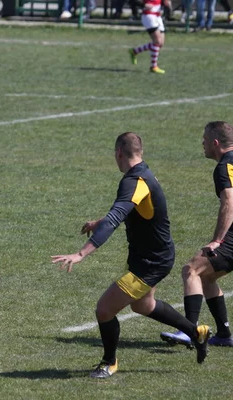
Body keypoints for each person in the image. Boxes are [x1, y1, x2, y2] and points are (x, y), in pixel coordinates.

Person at [51, 132, 211, 379]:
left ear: (118, 153)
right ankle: (196, 331)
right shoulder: (144, 174)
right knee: (143, 305)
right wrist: (98, 222)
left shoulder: (134, 181)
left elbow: (116, 217)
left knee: (104, 310)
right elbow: (128, 210)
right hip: (151, 255)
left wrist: (82, 253)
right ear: (141, 152)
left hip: (151, 263)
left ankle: (109, 362)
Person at [161, 122, 233, 348]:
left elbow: (229, 202)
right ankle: (223, 334)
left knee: (191, 269)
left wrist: (217, 240)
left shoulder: (224, 167)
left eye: (204, 140)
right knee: (206, 275)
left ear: (215, 143)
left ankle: (189, 331)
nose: (202, 143)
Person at [128, 0, 170, 74]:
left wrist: (166, 3)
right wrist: (144, 4)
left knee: (160, 43)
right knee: (157, 41)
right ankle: (153, 67)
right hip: (149, 16)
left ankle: (134, 51)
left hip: (158, 16)